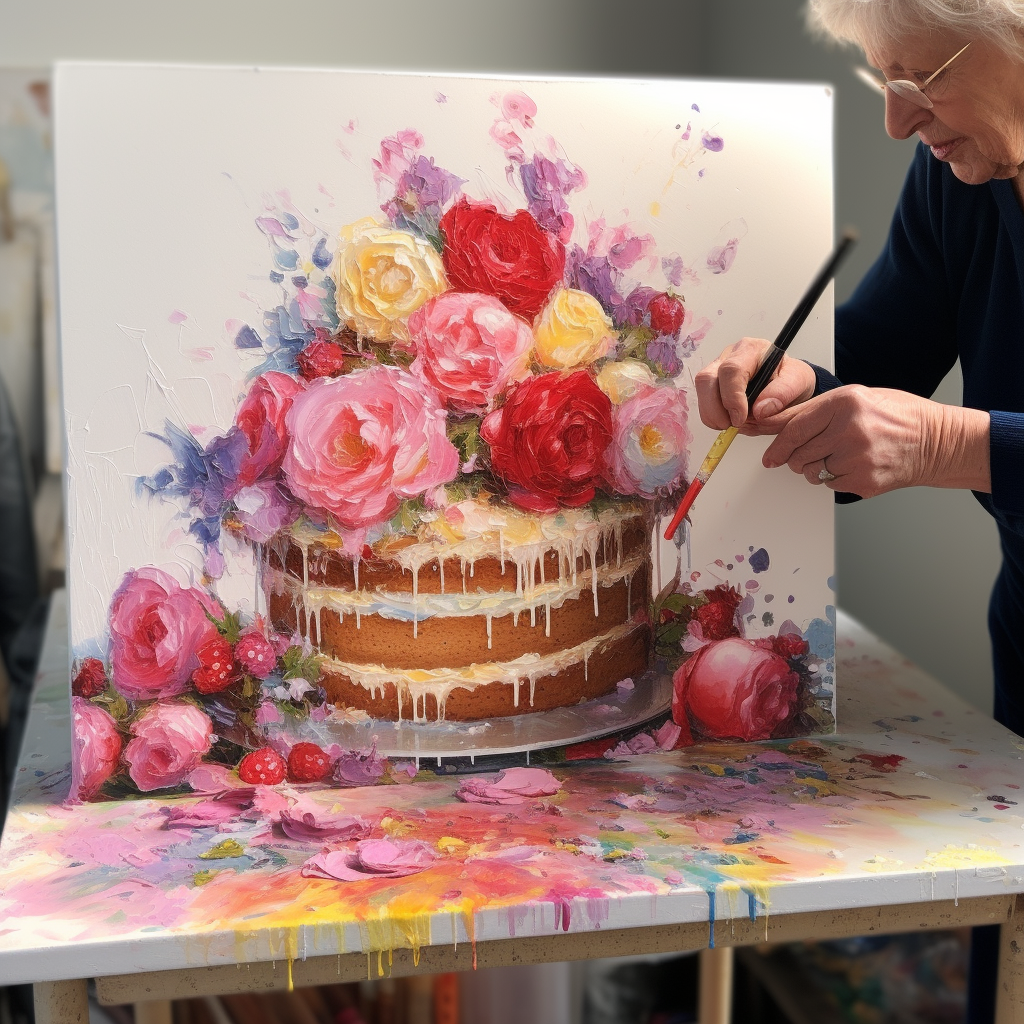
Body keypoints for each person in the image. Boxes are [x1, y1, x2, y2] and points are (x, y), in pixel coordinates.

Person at [694, 2, 1024, 1020]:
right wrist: (796, 383)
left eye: (921, 78)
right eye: (882, 78)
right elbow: (876, 365)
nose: (896, 120)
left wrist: (946, 445)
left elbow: (923, 435)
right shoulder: (961, 182)